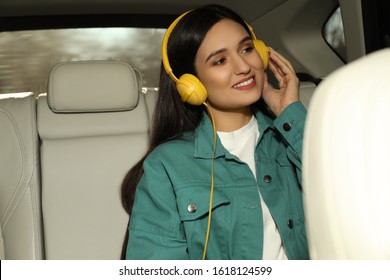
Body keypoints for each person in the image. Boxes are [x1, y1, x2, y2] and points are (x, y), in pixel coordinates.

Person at [121, 4, 309, 260]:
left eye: (246, 49)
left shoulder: (293, 138)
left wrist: (290, 111)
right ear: (191, 84)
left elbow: (357, 201)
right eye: (220, 60)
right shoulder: (167, 165)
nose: (243, 66)